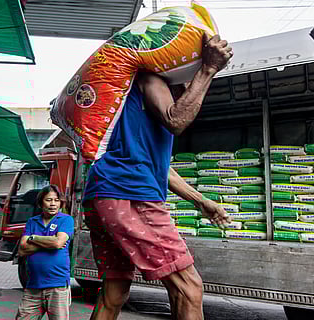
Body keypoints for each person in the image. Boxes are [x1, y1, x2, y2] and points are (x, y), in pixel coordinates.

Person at [82, 33, 234, 320]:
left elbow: (158, 168)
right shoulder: (150, 80)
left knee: (114, 293)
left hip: (105, 193)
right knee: (189, 288)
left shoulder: (129, 98)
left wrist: (201, 201)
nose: (192, 88)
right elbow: (177, 119)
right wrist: (208, 69)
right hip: (130, 194)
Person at [16, 185, 74, 320]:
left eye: (56, 200)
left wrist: (34, 238)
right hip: (33, 286)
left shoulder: (66, 220)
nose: (53, 204)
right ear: (41, 202)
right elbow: (22, 249)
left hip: (57, 286)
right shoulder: (32, 222)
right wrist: (51, 243)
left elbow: (58, 243)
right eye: (49, 200)